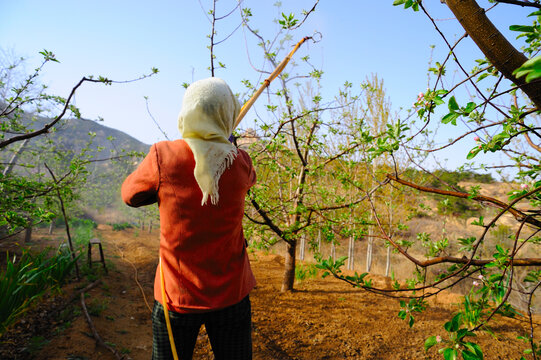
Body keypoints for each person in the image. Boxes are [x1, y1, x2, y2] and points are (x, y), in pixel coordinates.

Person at [121, 77, 256, 360]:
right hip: (231, 295)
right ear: (227, 114)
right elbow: (245, 179)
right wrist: (227, 143)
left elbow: (130, 195)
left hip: (177, 297)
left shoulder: (163, 155)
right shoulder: (241, 162)